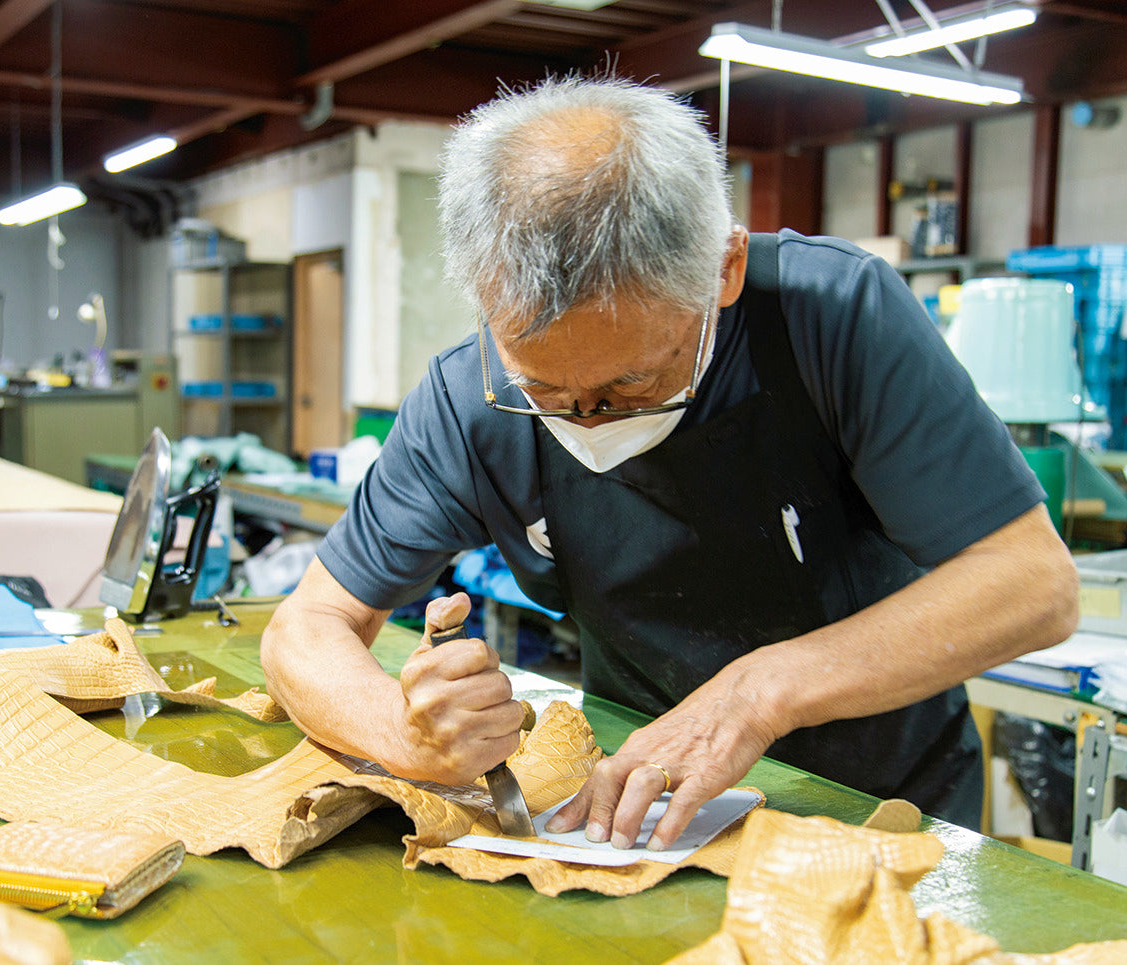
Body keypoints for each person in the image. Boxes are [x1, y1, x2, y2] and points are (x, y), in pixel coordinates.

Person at [261, 75, 1078, 849]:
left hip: (881, 806)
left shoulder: (833, 321)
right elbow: (305, 627)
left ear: (722, 268)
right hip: (642, 810)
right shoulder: (469, 399)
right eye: (544, 388)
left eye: (628, 385)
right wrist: (402, 732)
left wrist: (759, 691)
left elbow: (1031, 585)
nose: (586, 421)